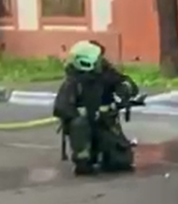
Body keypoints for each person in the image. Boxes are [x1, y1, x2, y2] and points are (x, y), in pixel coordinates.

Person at [52, 41, 141, 176]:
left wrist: (124, 89)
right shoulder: (73, 82)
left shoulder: (106, 74)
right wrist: (81, 113)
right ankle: (83, 159)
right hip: (84, 126)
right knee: (79, 125)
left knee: (120, 163)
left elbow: (127, 83)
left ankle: (108, 155)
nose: (102, 61)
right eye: (98, 58)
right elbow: (61, 107)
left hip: (104, 123)